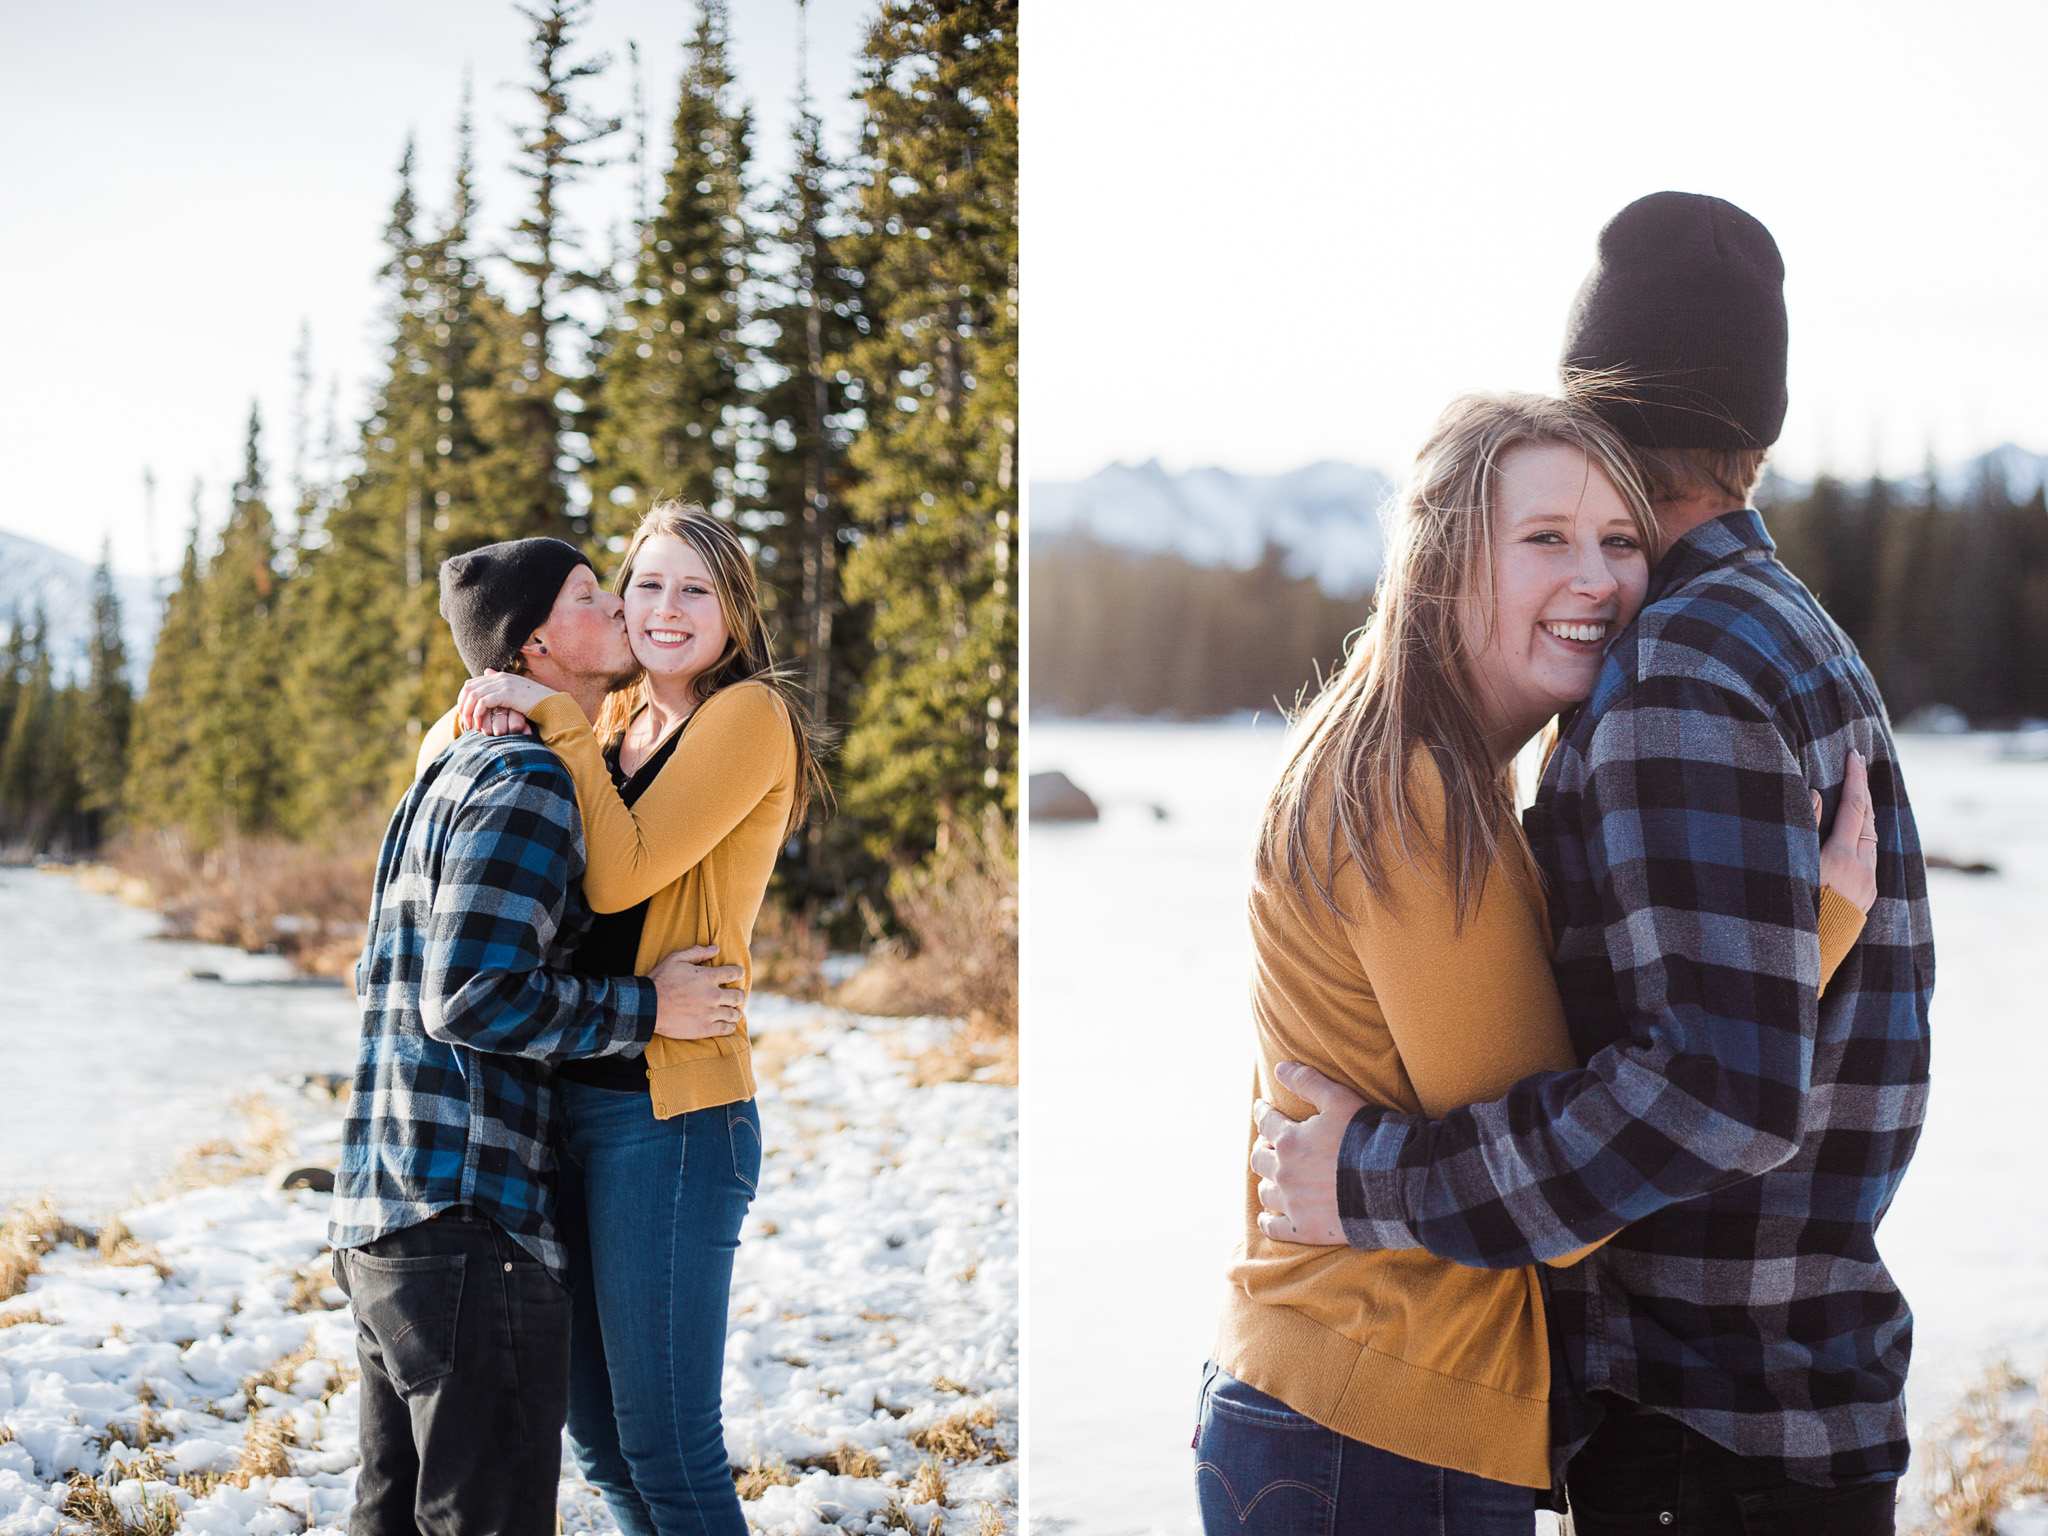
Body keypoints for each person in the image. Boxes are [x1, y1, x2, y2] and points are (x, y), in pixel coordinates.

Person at [1255, 193, 1933, 1536]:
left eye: (1601, 529)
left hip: (1710, 1427)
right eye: (1547, 536)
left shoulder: (1681, 669)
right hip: (1771, 1406)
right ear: (1757, 430)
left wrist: (1367, 1183)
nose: (1587, 569)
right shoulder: (1793, 635)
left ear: (1599, 416)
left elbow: (1720, 1092)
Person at [330, 535, 745, 1536]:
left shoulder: (443, 773)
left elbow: (376, 978)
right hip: (472, 1222)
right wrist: (650, 1009)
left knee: (390, 1513)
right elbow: (469, 999)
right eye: (589, 595)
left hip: (381, 1217)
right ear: (531, 647)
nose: (618, 610)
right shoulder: (525, 780)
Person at [452, 501, 827, 1536]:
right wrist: (473, 714)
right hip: (570, 1095)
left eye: (694, 589)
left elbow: (616, 880)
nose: (665, 610)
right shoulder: (617, 722)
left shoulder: (748, 716)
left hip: (670, 1117)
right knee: (603, 1445)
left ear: (732, 610)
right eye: (647, 585)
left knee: (668, 1448)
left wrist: (557, 717)